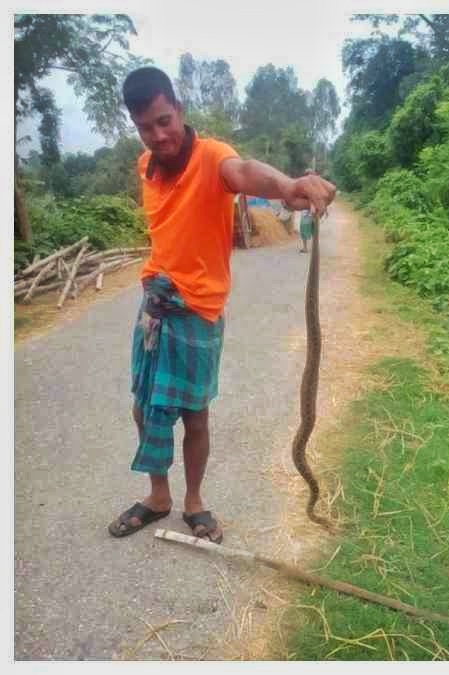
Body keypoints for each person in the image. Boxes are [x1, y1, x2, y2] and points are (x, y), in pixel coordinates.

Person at [107, 66, 337, 544]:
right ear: (136, 127)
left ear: (179, 110)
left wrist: (288, 186)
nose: (159, 135)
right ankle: (158, 497)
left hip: (199, 313)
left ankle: (193, 502)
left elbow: (244, 172)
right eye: (146, 127)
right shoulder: (145, 165)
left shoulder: (213, 157)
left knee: (195, 416)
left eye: (165, 121)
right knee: (144, 408)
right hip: (154, 307)